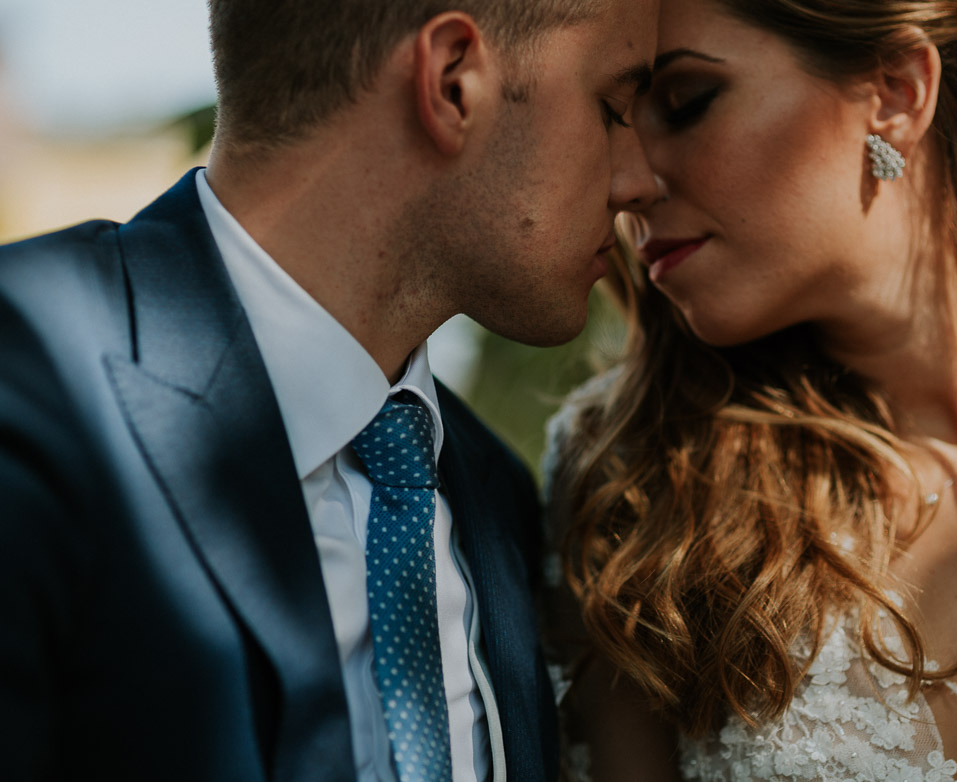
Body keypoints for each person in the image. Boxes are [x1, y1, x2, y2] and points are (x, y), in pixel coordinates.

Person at [0, 0, 662, 779]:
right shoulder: (32, 391)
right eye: (614, 108)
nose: (641, 179)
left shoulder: (501, 497)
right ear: (452, 83)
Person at [544, 0, 957, 780]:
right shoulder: (630, 486)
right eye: (615, 120)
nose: (625, 181)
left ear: (897, 90)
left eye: (684, 104)